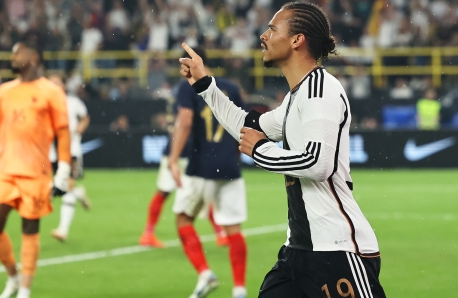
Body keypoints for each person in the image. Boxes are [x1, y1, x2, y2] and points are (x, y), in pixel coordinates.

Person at [178, 2, 386, 298]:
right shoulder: (298, 96)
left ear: (297, 40)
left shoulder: (321, 90)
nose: (263, 35)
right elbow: (248, 126)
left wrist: (260, 150)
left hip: (337, 251)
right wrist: (205, 86)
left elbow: (318, 164)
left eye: (273, 29)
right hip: (298, 252)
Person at [0, 36, 71, 298]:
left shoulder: (52, 91)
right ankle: (12, 276)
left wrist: (63, 169)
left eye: (17, 53)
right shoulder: (4, 90)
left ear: (33, 58)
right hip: (4, 170)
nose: (12, 58)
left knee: (30, 228)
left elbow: (63, 133)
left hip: (36, 171)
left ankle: (25, 291)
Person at [171, 48, 248, 298]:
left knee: (183, 219)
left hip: (201, 166)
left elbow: (185, 120)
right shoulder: (231, 86)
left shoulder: (189, 85)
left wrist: (173, 159)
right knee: (234, 229)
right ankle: (239, 289)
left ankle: (205, 273)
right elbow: (243, 125)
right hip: (229, 167)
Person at [139, 137, 228, 248]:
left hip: (172, 153)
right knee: (204, 192)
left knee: (162, 193)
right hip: (190, 155)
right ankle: (221, 234)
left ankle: (148, 233)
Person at [48, 73, 92, 242]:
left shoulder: (72, 103)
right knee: (60, 186)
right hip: (52, 153)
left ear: (63, 86)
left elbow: (85, 117)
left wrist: (81, 127)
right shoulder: (44, 104)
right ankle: (79, 193)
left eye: (56, 83)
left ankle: (63, 229)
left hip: (71, 151)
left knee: (66, 186)